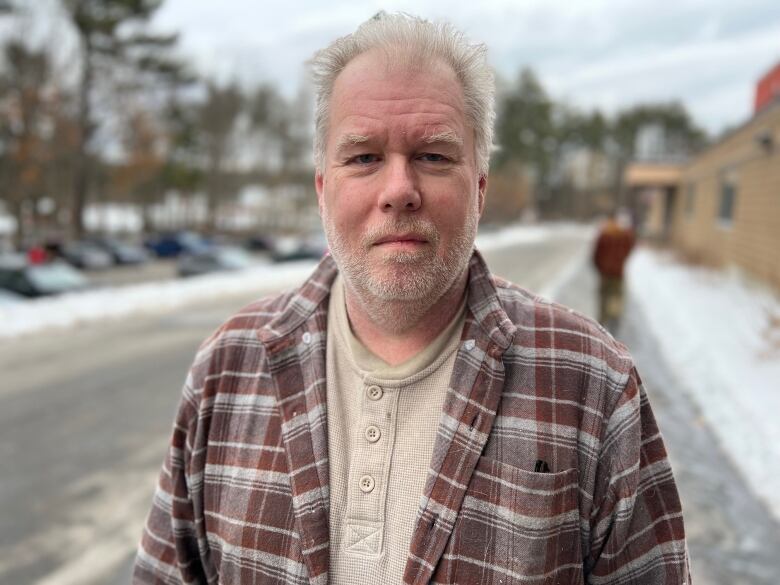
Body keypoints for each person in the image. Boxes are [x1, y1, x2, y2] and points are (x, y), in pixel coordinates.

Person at [134, 13, 690, 585]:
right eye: (364, 157)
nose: (398, 190)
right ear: (323, 189)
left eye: (433, 155)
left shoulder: (593, 383)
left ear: (479, 188)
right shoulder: (226, 368)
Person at [593, 210, 636, 333]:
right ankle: (614, 319)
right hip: (618, 272)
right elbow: (630, 246)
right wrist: (621, 261)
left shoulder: (604, 235)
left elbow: (596, 254)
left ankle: (601, 323)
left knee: (603, 297)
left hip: (605, 273)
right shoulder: (624, 235)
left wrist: (600, 267)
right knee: (616, 297)